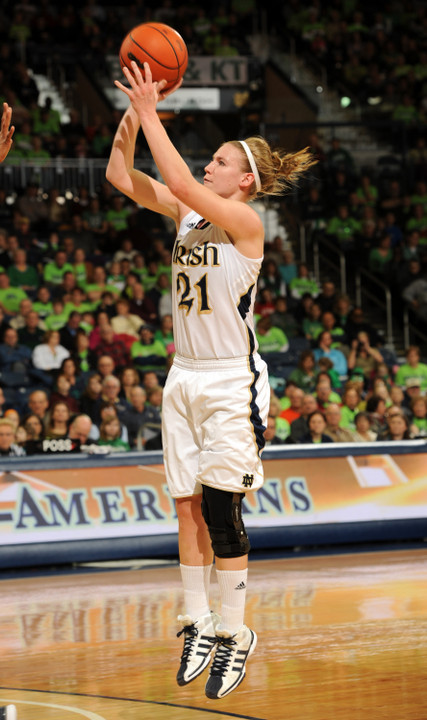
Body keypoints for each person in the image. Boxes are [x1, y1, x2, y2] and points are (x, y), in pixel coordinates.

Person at [107, 59, 316, 700]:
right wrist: (130, 111)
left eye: (221, 162)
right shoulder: (189, 217)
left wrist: (151, 109)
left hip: (230, 380)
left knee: (224, 509)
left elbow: (173, 174)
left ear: (245, 179)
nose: (208, 167)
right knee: (187, 504)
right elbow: (119, 173)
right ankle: (197, 620)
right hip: (183, 375)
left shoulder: (247, 224)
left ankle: (236, 632)